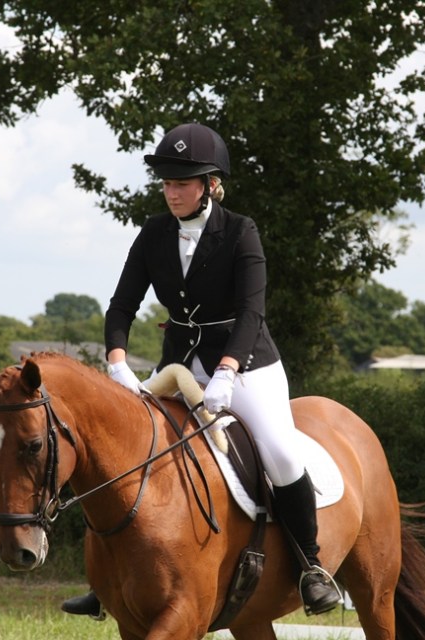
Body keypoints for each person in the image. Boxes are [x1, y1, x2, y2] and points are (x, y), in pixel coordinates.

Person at [62, 123, 341, 618]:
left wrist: (228, 371)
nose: (172, 192)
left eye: (182, 183)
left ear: (210, 185)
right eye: (167, 183)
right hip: (178, 365)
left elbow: (252, 312)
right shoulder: (153, 233)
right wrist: (118, 362)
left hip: (246, 365)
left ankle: (311, 566)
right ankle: (107, 580)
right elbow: (121, 306)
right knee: (126, 451)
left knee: (279, 453)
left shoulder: (240, 231)